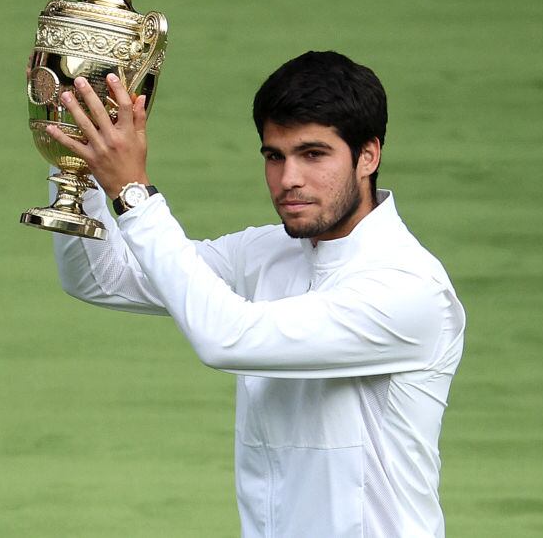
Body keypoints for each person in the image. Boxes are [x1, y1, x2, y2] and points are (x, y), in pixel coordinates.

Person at [44, 51, 466, 537]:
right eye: (274, 155)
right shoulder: (266, 252)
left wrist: (134, 195)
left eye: (314, 154)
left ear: (368, 155)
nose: (289, 180)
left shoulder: (408, 288)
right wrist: (80, 165)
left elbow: (228, 339)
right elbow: (101, 278)